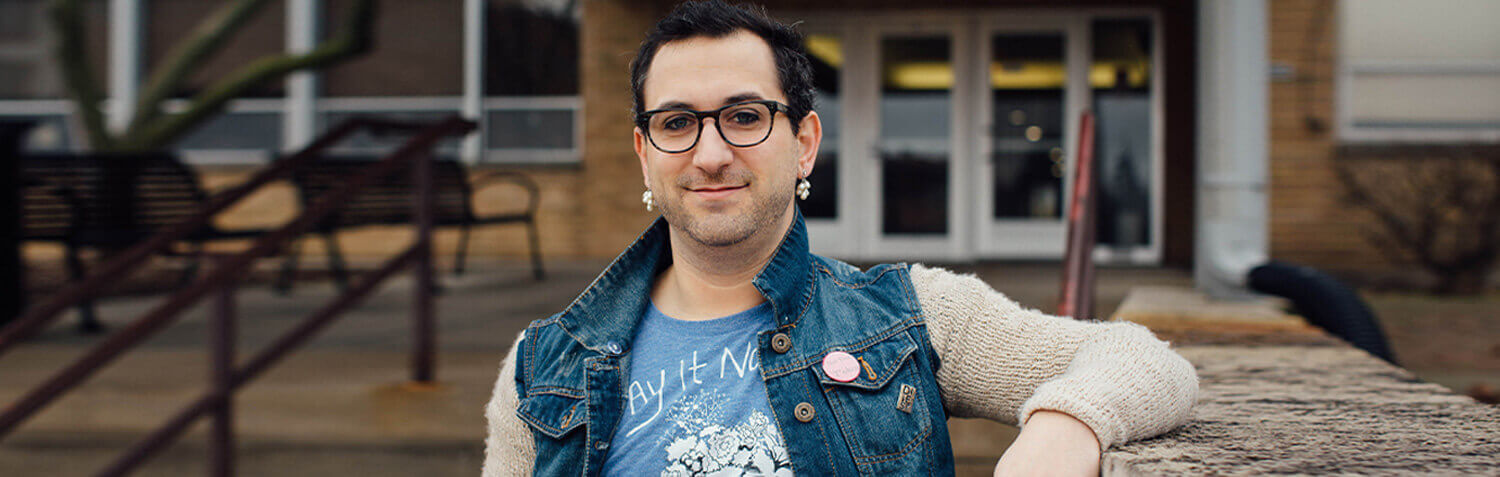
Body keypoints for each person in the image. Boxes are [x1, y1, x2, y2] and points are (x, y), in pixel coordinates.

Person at [484, 1, 1197, 475]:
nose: (709, 154)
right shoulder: (544, 364)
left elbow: (1143, 358)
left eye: (743, 116)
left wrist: (1063, 428)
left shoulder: (909, 315)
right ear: (645, 152)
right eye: (677, 123)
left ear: (804, 144)